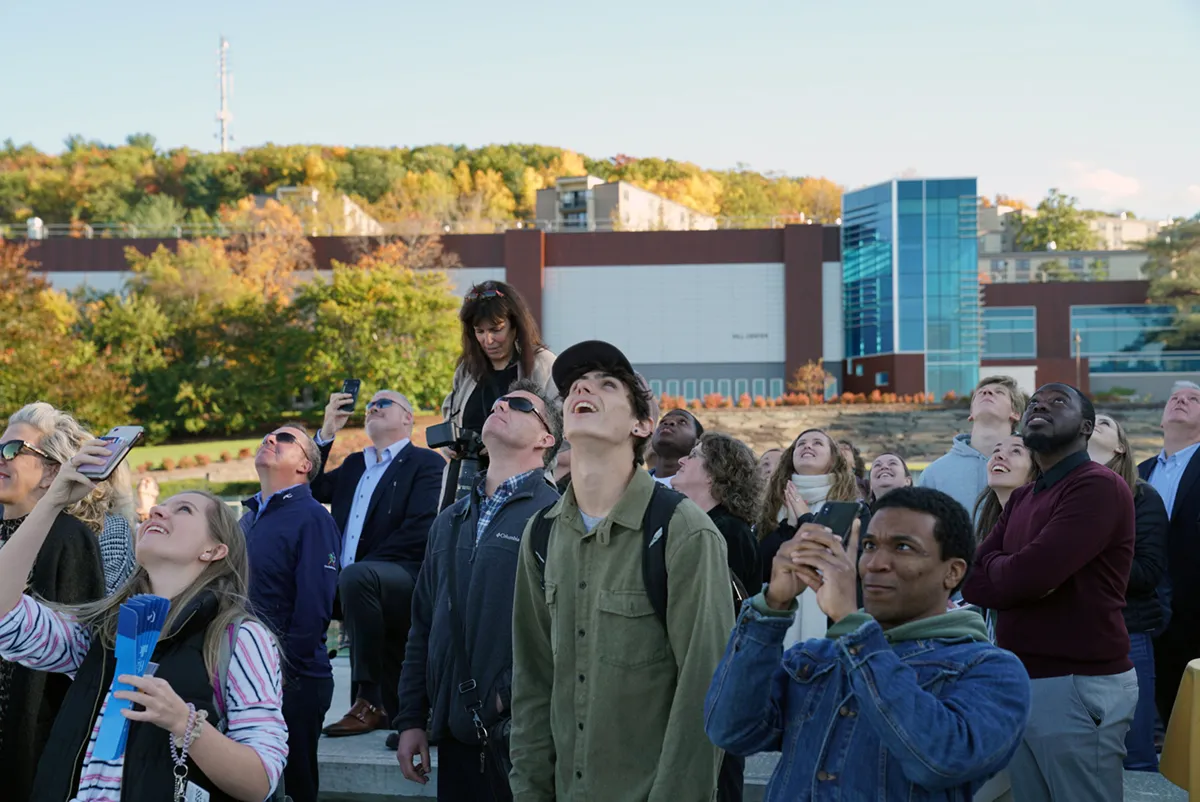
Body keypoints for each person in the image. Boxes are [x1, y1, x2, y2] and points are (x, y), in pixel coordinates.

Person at [0, 441, 288, 801]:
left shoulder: (240, 638)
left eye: (182, 510)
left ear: (214, 550)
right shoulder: (98, 631)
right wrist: (52, 502)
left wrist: (185, 724)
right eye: (157, 508)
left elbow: (260, 780)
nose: (155, 512)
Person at [508, 340, 733, 801]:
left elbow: (704, 696)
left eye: (606, 384)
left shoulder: (684, 532)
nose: (583, 389)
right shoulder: (540, 534)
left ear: (642, 424)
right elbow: (532, 684)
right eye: (574, 386)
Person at [704, 487, 1031, 800]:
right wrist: (772, 606)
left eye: (903, 547)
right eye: (871, 545)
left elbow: (940, 761)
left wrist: (852, 626)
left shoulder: (992, 669)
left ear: (953, 573)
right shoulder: (816, 656)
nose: (875, 563)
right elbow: (731, 731)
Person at [962, 383, 1138, 802]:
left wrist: (1008, 572)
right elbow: (971, 578)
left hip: (1078, 685)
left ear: (1086, 427)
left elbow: (1029, 576)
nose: (1041, 406)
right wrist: (1014, 574)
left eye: (1058, 402)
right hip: (1024, 681)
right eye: (1036, 403)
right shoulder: (1024, 497)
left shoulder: (1097, 486)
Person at [395, 380, 561, 801]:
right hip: (453, 738)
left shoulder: (557, 516)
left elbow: (565, 631)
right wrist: (412, 718)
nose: (501, 405)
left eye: (520, 404)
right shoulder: (449, 518)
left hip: (522, 742)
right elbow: (422, 625)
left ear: (547, 438)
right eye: (499, 401)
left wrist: (506, 698)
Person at [313, 388, 444, 735]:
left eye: (383, 403)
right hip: (352, 580)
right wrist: (327, 432)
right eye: (369, 405)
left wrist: (359, 572)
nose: (372, 407)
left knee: (358, 578)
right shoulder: (356, 464)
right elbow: (311, 489)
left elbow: (421, 529)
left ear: (407, 418)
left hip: (406, 575)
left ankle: (368, 699)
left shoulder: (426, 462)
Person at [0, 403, 105, 800]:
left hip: (29, 750)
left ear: (50, 472)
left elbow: (80, 663)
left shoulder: (68, 538)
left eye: (13, 451)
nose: (1, 459)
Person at [242, 424, 341, 802]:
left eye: (285, 439)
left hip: (292, 681)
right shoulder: (248, 519)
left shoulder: (313, 517)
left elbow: (314, 608)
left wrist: (283, 674)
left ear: (305, 465)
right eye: (268, 435)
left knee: (293, 790)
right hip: (243, 674)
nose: (270, 439)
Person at [670, 431, 762, 802]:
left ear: (714, 474)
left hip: (714, 686)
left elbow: (723, 618)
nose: (680, 460)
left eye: (693, 455)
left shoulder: (729, 533)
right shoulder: (693, 525)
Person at [1089, 413, 1169, 771]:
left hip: (1126, 632)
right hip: (1062, 635)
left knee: (1134, 753)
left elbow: (1148, 572)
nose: (1093, 425)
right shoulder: (1052, 492)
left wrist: (1082, 559)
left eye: (1104, 423)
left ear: (1121, 446)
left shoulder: (1143, 498)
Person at [440, 280, 556, 509]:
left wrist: (506, 446)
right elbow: (449, 419)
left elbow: (561, 433)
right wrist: (451, 445)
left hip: (520, 485)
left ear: (515, 325)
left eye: (496, 329)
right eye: (479, 332)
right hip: (462, 482)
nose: (488, 340)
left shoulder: (542, 364)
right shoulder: (467, 369)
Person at [757, 428, 864, 644]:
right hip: (777, 622)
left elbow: (837, 556)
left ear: (833, 459)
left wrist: (804, 516)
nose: (807, 446)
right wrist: (789, 525)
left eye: (817, 443)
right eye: (801, 443)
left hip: (832, 623)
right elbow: (761, 566)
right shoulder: (772, 506)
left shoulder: (852, 508)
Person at [1137, 380, 1200, 722]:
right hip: (1149, 610)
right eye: (1175, 398)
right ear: (1161, 420)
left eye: (1193, 399)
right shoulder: (1139, 473)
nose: (1181, 401)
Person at [919, 375, 1025, 517]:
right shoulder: (933, 474)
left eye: (999, 392)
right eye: (981, 392)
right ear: (971, 414)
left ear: (1016, 413)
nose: (987, 393)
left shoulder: (1031, 466)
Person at [971, 435, 1041, 642]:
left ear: (1035, 471)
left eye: (1016, 451)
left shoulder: (1042, 526)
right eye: (996, 450)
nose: (999, 455)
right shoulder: (989, 524)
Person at [648, 409, 704, 487]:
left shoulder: (706, 490)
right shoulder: (632, 484)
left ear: (697, 442)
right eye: (662, 421)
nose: (668, 423)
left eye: (682, 422)